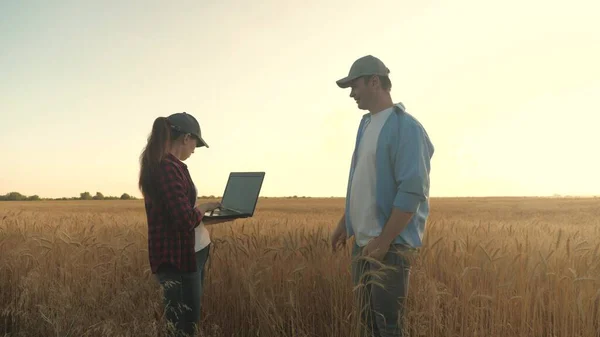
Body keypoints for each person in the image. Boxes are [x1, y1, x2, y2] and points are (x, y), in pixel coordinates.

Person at [330, 55, 434, 337]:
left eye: (355, 86)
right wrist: (345, 223)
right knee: (366, 325)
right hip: (362, 245)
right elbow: (362, 182)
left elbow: (412, 192)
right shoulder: (365, 125)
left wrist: (384, 241)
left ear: (374, 82)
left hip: (389, 248)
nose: (352, 93)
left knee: (387, 327)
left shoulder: (408, 128)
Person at [138, 112, 232, 337]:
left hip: (189, 253)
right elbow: (184, 220)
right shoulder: (166, 168)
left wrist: (213, 217)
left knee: (186, 322)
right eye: (195, 144)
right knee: (184, 327)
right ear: (185, 138)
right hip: (180, 258)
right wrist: (206, 206)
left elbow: (177, 214)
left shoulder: (167, 165)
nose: (194, 150)